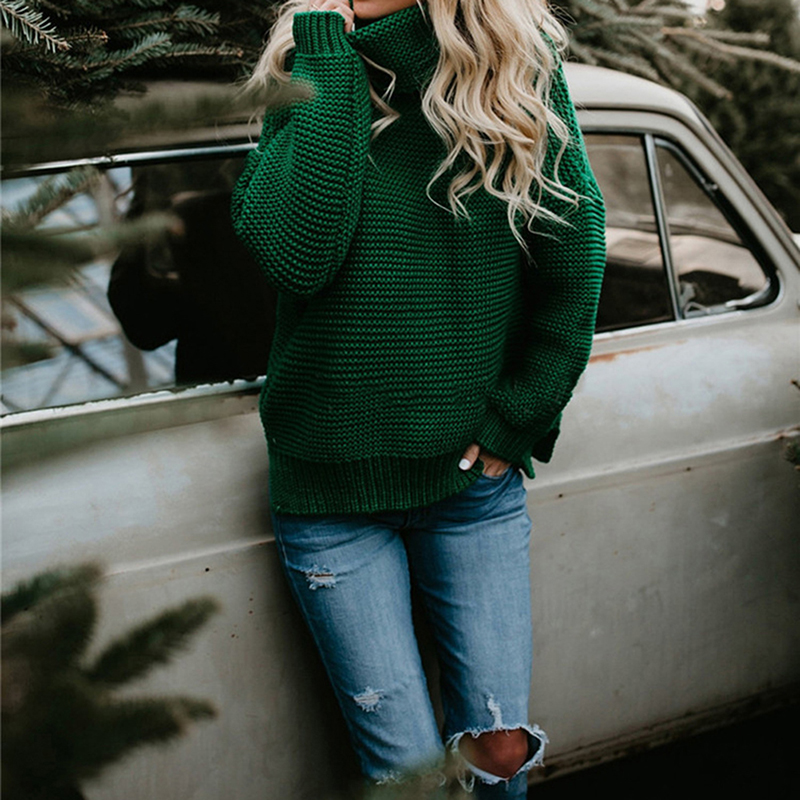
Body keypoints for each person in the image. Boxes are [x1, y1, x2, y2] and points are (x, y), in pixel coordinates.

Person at [231, 0, 605, 796]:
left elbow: (574, 266)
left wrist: (516, 417)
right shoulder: (308, 66)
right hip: (330, 499)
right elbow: (298, 256)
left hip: (471, 490)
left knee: (500, 749)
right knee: (408, 778)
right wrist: (327, 53)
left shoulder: (515, 72)